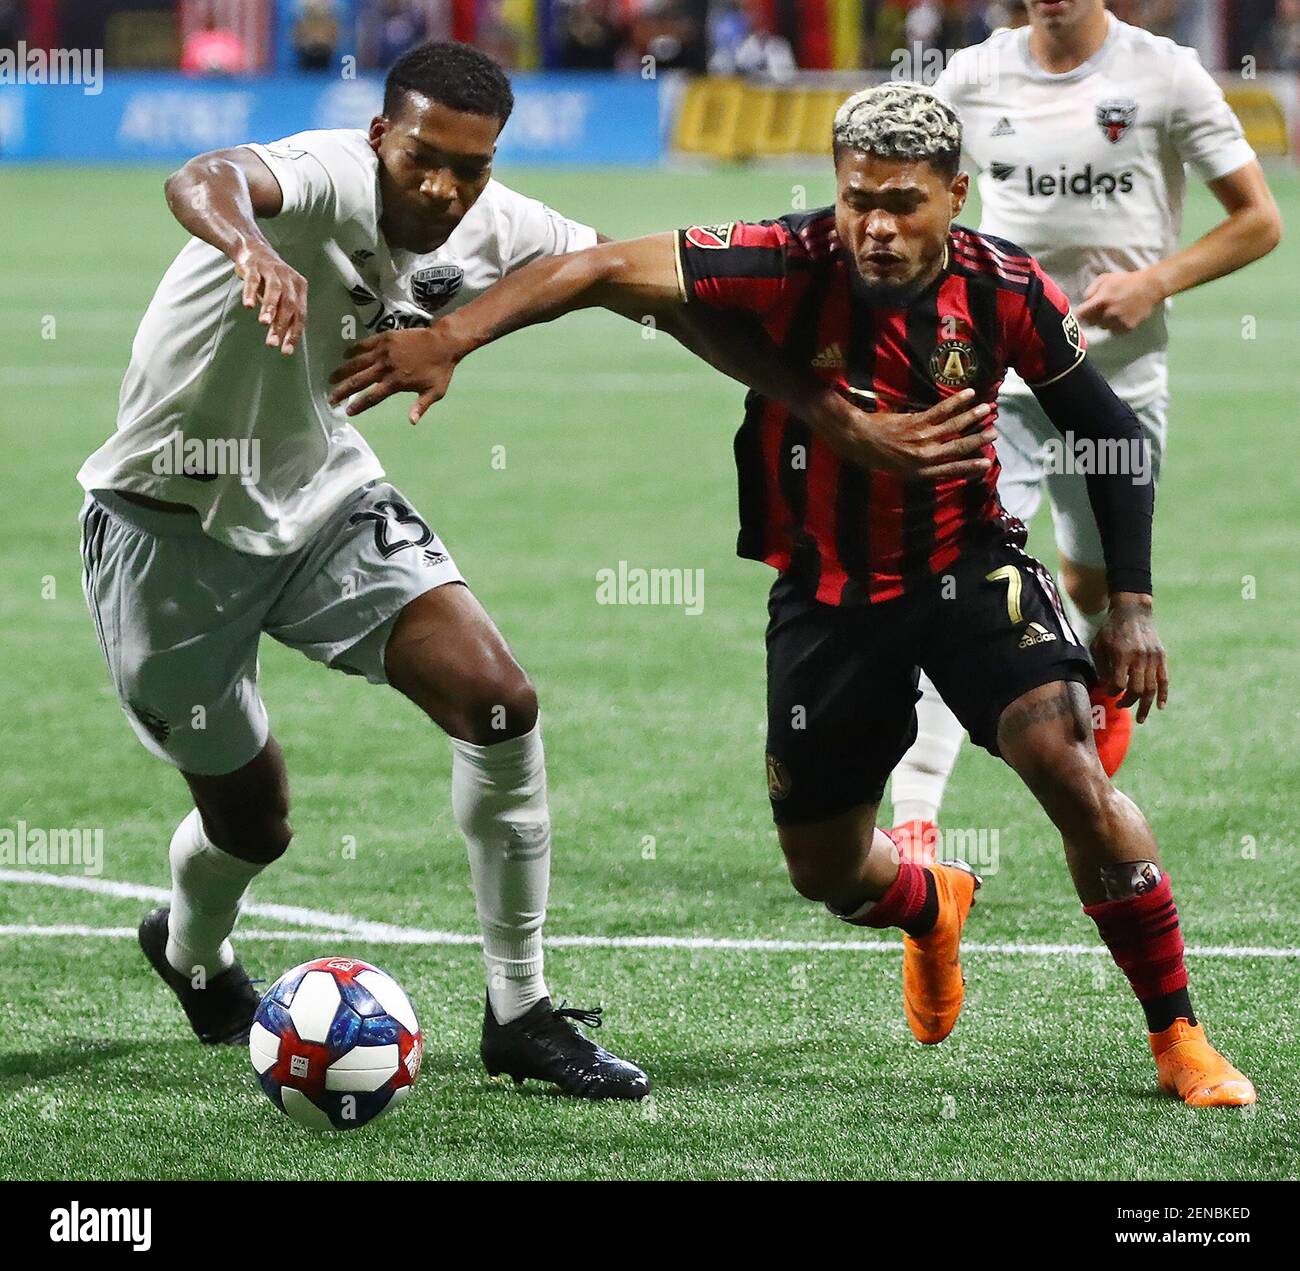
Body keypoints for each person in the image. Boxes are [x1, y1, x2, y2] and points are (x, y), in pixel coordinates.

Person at [329, 82, 1257, 1107]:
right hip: (825, 595)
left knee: (1069, 768)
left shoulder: (1004, 287)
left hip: (967, 565)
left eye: (903, 202)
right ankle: (927, 902)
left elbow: (1111, 430)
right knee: (824, 870)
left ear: (957, 194)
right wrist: (451, 337)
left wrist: (1130, 602)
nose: (876, 226)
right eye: (858, 197)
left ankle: (1178, 1034)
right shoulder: (782, 257)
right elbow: (594, 267)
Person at [78, 41, 669, 1099]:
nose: (443, 187)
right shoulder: (322, 175)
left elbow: (618, 269)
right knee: (251, 822)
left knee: (498, 702)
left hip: (325, 500)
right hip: (164, 527)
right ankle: (193, 950)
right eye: (421, 159)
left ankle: (519, 1010)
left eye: (471, 167)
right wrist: (248, 246)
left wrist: (813, 379)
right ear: (379, 139)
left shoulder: (492, 221)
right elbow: (202, 175)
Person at [884, 0, 1282, 861]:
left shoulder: (1166, 75)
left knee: (1089, 578)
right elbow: (909, 187)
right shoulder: (972, 77)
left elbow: (1259, 219)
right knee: (956, 586)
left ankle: (1096, 679)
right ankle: (914, 821)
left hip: (1119, 387)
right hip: (997, 379)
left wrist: (1155, 282)